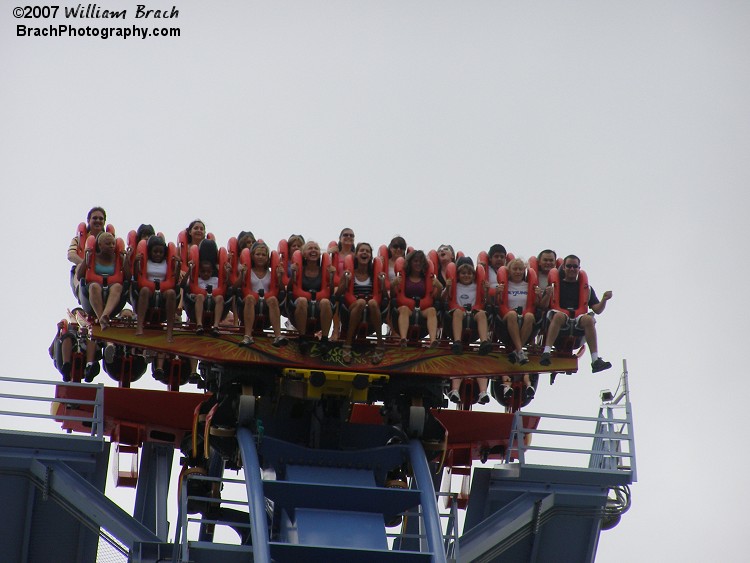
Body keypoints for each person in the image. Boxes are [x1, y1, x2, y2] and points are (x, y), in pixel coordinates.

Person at [540, 254, 613, 373]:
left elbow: (597, 309)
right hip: (561, 320)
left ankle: (595, 360)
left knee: (589, 319)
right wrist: (547, 294)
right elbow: (542, 306)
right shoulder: (554, 286)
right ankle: (546, 352)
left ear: (579, 268)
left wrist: (604, 299)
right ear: (563, 267)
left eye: (575, 266)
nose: (572, 269)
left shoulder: (586, 288)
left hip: (578, 324)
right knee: (558, 315)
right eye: (569, 266)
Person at [444, 257, 491, 404]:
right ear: (458, 275)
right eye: (463, 273)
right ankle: (457, 341)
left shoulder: (477, 286)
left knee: (482, 314)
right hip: (458, 317)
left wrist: (486, 291)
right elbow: (443, 299)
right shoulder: (455, 286)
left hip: (474, 317)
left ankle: (484, 341)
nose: (466, 276)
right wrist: (447, 288)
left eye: (469, 274)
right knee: (457, 312)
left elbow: (486, 303)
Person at [338, 242, 386, 364]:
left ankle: (380, 343)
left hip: (371, 309)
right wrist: (345, 281)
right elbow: (338, 294)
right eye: (362, 251)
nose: (364, 253)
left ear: (370, 256)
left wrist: (382, 283)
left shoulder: (373, 274)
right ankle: (348, 343)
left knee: (373, 303)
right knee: (360, 302)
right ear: (356, 254)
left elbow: (385, 296)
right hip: (352, 307)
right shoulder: (350, 272)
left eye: (367, 251)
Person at [236, 241, 286, 347]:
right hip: (250, 301)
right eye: (257, 254)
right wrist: (242, 274)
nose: (260, 257)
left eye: (263, 255)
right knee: (249, 298)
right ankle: (248, 336)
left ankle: (278, 336)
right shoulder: (248, 270)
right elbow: (236, 286)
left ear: (267, 258)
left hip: (266, 303)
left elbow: (281, 288)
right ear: (252, 256)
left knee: (273, 299)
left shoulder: (271, 273)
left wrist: (279, 276)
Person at [76, 231, 128, 329]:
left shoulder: (118, 258)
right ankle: (101, 318)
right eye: (108, 244)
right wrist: (87, 258)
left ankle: (105, 315)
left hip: (112, 286)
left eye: (113, 243)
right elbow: (80, 276)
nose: (111, 246)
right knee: (94, 286)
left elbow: (128, 277)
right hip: (94, 287)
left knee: (117, 287)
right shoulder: (92, 256)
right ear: (99, 245)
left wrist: (125, 259)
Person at [132, 235, 180, 342]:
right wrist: (136, 262)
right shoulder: (146, 262)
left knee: (172, 293)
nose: (158, 254)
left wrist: (178, 265)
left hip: (163, 289)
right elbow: (136, 276)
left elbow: (174, 279)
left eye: (161, 252)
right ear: (150, 252)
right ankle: (139, 327)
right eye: (155, 252)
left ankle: (169, 331)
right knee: (144, 290)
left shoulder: (167, 262)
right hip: (148, 288)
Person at [288, 240, 334, 346]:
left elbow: (330, 291)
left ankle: (325, 339)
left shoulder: (323, 271)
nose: (313, 250)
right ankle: (302, 337)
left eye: (316, 249)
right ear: (304, 254)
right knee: (302, 300)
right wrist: (293, 274)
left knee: (326, 302)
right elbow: (290, 289)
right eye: (310, 248)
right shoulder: (300, 269)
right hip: (300, 307)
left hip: (319, 308)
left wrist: (331, 276)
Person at [182, 239, 231, 336]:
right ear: (199, 271)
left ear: (212, 271)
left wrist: (227, 272)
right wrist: (190, 270)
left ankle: (216, 325)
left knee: (220, 298)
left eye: (208, 272)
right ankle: (199, 324)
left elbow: (227, 286)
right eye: (203, 271)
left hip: (213, 299)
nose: (206, 274)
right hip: (199, 299)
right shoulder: (196, 278)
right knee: (200, 296)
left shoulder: (216, 279)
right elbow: (183, 285)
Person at [393, 250, 442, 347]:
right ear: (410, 262)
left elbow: (436, 296)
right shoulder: (404, 278)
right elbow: (394, 294)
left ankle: (433, 340)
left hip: (422, 309)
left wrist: (439, 286)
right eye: (415, 261)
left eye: (420, 261)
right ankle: (403, 339)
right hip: (406, 308)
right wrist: (393, 284)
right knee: (404, 309)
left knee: (432, 310)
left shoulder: (426, 279)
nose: (418, 263)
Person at [67, 207, 108, 298]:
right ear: (88, 220)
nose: (98, 220)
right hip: (84, 269)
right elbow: (71, 255)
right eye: (95, 218)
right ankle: (81, 291)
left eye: (101, 219)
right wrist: (84, 264)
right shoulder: (79, 239)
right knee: (77, 267)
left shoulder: (109, 239)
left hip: (104, 269)